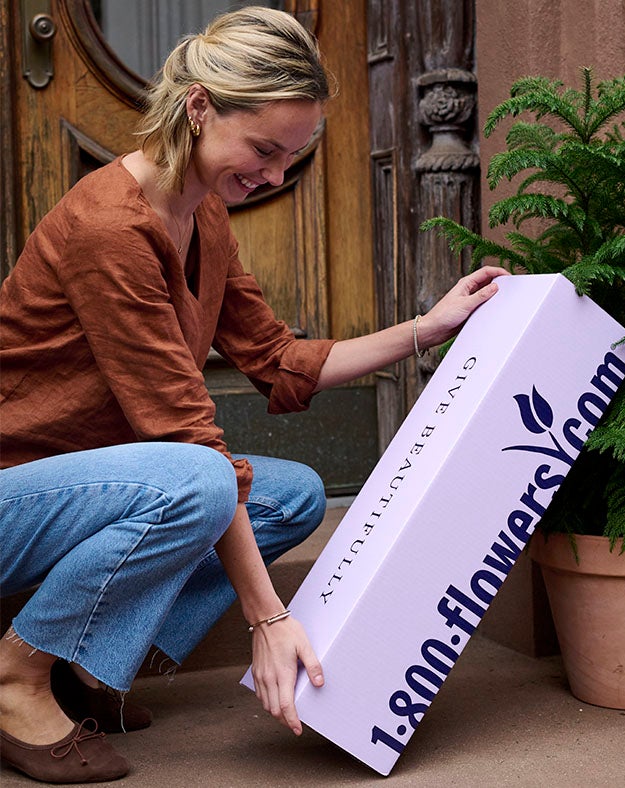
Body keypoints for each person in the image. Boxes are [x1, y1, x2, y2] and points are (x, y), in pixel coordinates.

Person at [0, 6, 508, 784]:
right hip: (19, 495)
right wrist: (269, 617)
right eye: (264, 150)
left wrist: (428, 327)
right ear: (200, 106)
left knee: (291, 496)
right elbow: (185, 438)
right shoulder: (109, 228)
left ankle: (87, 661)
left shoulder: (201, 210)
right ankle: (17, 671)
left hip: (98, 486)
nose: (273, 176)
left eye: (291, 157)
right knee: (203, 481)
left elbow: (275, 358)